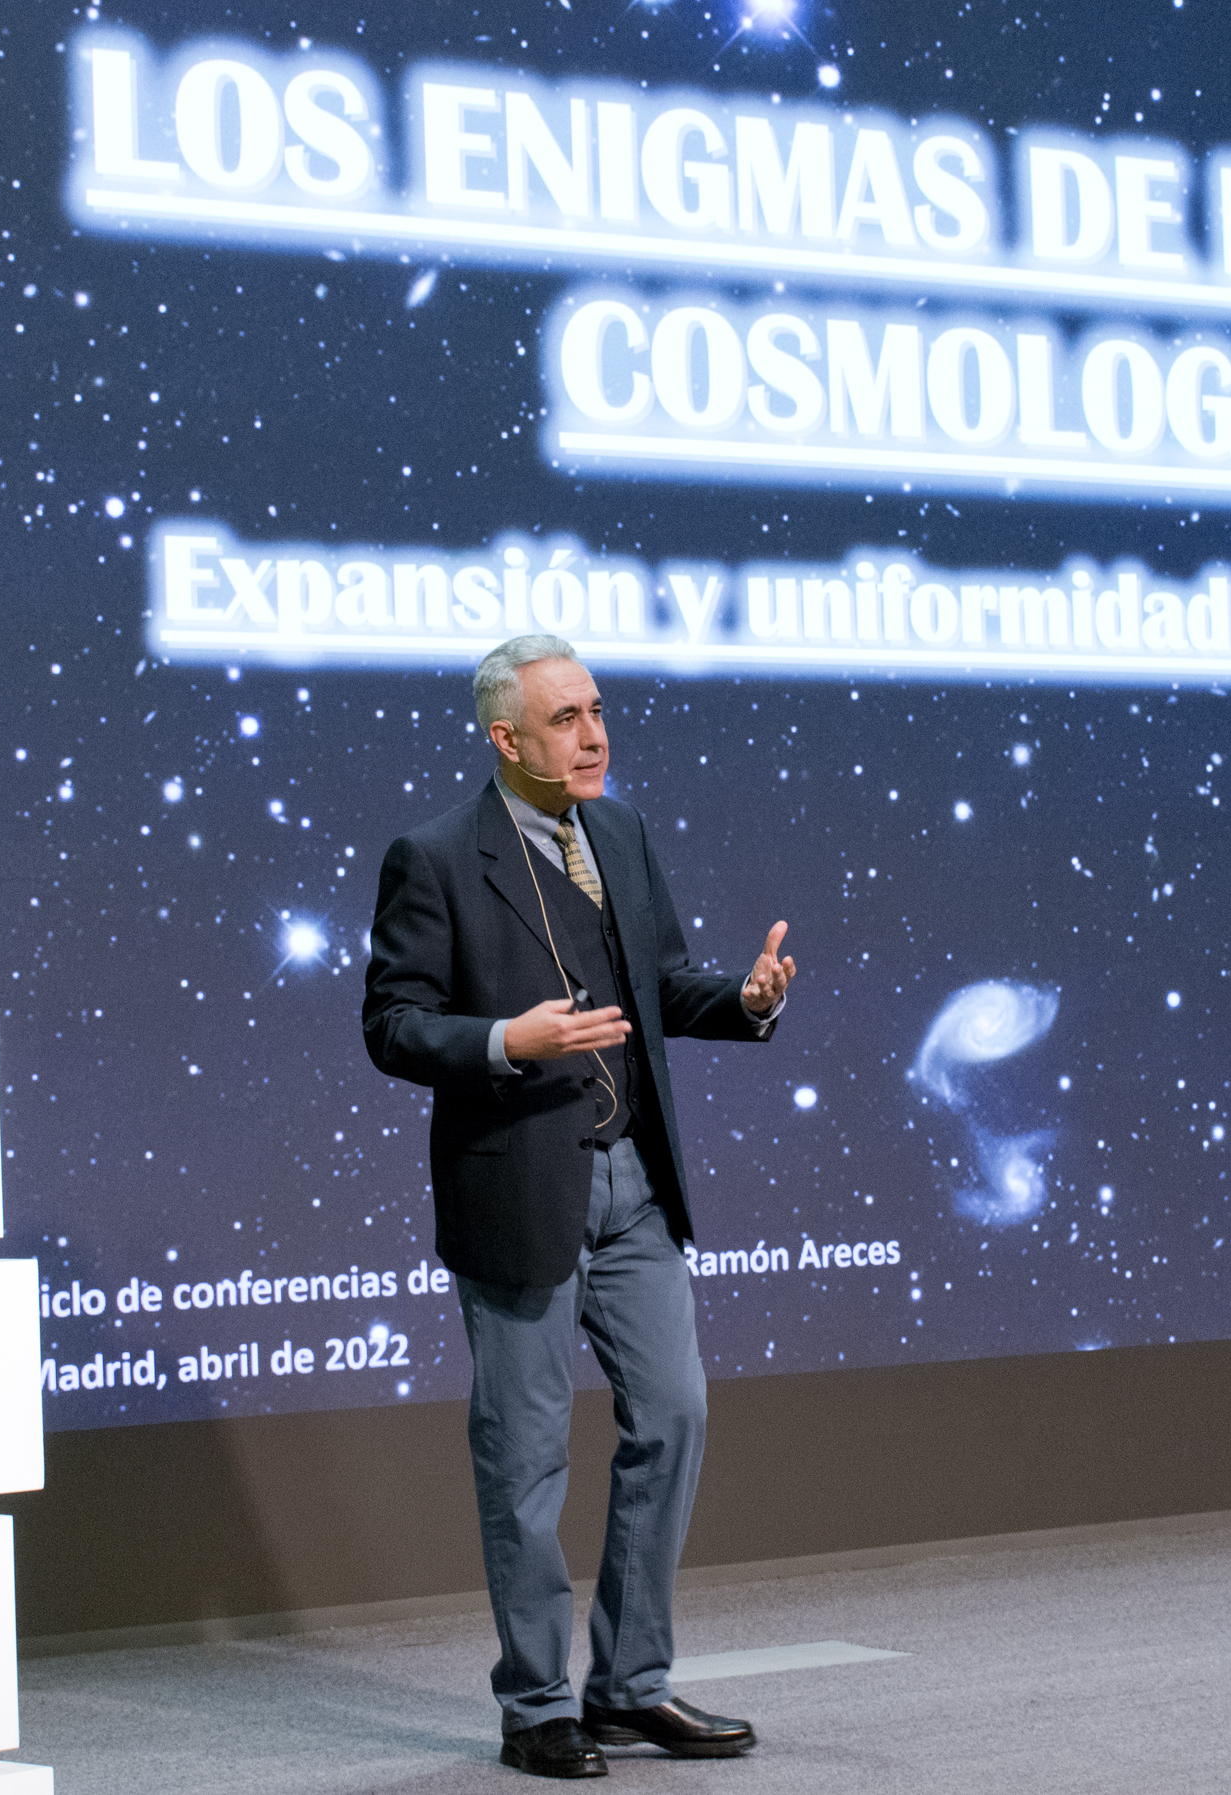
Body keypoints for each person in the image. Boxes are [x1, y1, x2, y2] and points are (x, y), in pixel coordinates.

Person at [363, 635, 796, 1779]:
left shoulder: (621, 833)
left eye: (597, 710)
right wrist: (507, 1039)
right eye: (565, 719)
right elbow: (392, 1025)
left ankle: (629, 1685)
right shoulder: (435, 856)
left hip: (633, 1184)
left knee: (674, 1415)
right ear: (505, 738)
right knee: (525, 1455)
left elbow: (660, 984)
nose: (593, 734)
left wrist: (745, 1000)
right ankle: (536, 1703)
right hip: (518, 1188)